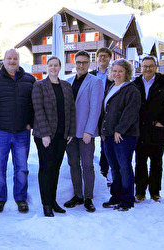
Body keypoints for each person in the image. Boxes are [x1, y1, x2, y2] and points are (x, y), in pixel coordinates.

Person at [0, 49, 35, 213]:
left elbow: (34, 104)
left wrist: (30, 123)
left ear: (19, 60)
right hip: (0, 132)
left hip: (22, 132)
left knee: (22, 168)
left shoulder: (29, 79)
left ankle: (21, 198)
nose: (12, 61)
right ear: (3, 60)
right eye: (9, 58)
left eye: (15, 58)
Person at [32, 56, 76, 217]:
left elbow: (71, 110)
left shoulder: (66, 86)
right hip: (45, 135)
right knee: (46, 168)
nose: (53, 68)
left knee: (56, 168)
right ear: (47, 67)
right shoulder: (39, 86)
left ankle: (53, 200)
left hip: (62, 135)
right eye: (50, 65)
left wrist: (71, 131)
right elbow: (38, 110)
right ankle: (46, 204)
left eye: (56, 65)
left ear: (60, 67)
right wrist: (45, 134)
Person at [64, 50, 103, 212]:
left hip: (85, 132)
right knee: (73, 164)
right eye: (78, 62)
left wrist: (89, 131)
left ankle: (88, 197)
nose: (81, 65)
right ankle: (78, 195)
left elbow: (95, 109)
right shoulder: (68, 81)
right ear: (75, 63)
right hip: (70, 133)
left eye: (84, 62)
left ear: (89, 64)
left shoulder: (95, 82)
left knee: (87, 165)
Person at [101, 59, 141, 211]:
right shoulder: (111, 87)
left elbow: (130, 112)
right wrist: (103, 131)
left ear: (127, 73)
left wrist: (120, 129)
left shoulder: (131, 89)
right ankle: (115, 196)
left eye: (120, 71)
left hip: (124, 135)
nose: (117, 74)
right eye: (115, 71)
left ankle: (127, 199)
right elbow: (105, 112)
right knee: (114, 167)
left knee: (124, 167)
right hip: (109, 135)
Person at [133, 56, 164, 203]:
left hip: (157, 130)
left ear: (156, 67)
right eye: (145, 66)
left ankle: (155, 192)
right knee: (140, 162)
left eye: (150, 66)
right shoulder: (135, 84)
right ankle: (140, 192)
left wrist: (163, 122)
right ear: (141, 67)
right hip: (139, 130)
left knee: (156, 163)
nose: (147, 69)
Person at [90, 47, 114, 182]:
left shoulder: (113, 74)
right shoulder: (91, 74)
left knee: (105, 144)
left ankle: (104, 172)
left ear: (109, 58)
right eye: (100, 56)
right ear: (97, 58)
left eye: (105, 56)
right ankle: (91, 169)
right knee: (89, 140)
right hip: (94, 112)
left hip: (107, 113)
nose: (102, 58)